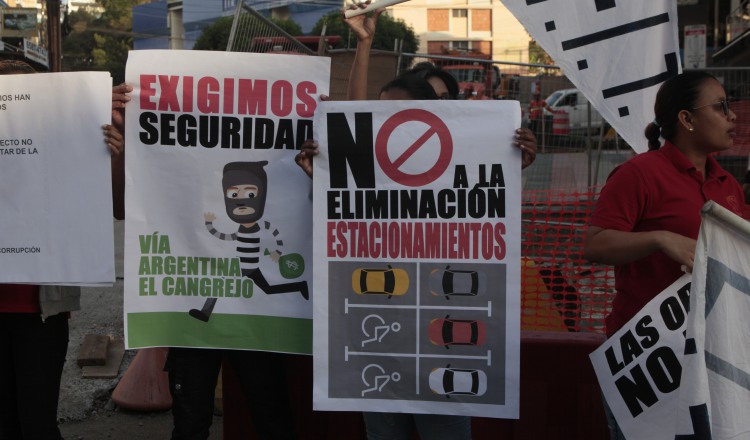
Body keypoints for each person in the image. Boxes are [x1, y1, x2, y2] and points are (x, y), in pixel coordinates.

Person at [296, 6, 538, 438]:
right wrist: (328, 169)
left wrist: (510, 159)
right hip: (379, 344)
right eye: (380, 114)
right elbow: (355, 118)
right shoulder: (359, 168)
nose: (385, 124)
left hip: (445, 345)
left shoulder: (466, 164)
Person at [582, 71, 743, 439]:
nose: (732, 116)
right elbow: (595, 244)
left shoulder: (728, 184)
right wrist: (660, 239)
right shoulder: (639, 174)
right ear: (686, 119)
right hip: (648, 356)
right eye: (720, 107)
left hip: (711, 356)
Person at [0, 59, 127, 440]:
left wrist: (109, 151)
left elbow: (115, 207)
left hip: (42, 312)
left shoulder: (61, 149)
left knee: (37, 422)